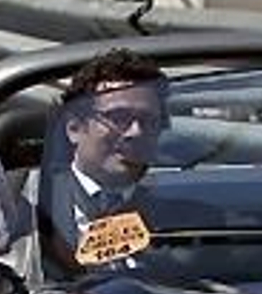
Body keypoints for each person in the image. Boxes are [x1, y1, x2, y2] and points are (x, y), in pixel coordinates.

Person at [36, 48, 173, 271]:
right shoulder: (28, 204)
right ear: (75, 128)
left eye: (148, 121)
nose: (135, 132)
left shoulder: (184, 219)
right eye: (118, 117)